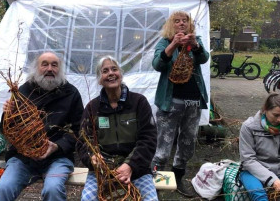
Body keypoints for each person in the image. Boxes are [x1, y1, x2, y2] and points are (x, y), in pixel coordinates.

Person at [0, 52, 84, 201]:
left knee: (53, 189)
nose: (50, 69)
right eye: (45, 64)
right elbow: (6, 130)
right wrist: (8, 115)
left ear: (60, 69)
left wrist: (57, 146)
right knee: (4, 188)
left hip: (58, 158)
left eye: (54, 65)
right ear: (36, 68)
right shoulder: (24, 91)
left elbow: (79, 130)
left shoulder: (71, 93)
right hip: (23, 158)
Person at [77, 56, 158, 201]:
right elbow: (83, 141)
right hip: (103, 172)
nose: (111, 73)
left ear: (120, 74)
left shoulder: (139, 102)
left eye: (114, 69)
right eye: (105, 71)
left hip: (137, 170)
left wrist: (130, 165)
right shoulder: (92, 107)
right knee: (87, 199)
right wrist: (92, 158)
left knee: (150, 199)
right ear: (100, 79)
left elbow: (148, 139)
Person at [151, 10, 209, 197]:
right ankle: (158, 183)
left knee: (187, 142)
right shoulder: (165, 42)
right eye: (177, 21)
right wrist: (174, 44)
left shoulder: (195, 42)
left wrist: (196, 45)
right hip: (170, 102)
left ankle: (177, 179)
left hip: (193, 102)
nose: (182, 23)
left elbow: (204, 58)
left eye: (185, 21)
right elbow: (157, 65)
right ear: (171, 25)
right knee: (163, 145)